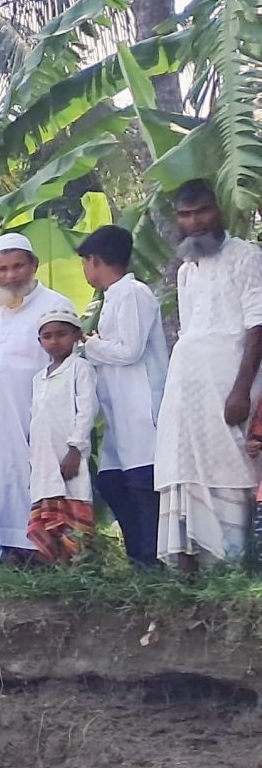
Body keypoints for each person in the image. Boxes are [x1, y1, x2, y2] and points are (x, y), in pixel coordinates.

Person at [153, 180, 262, 572]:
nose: (195, 222)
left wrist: (240, 391)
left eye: (202, 211)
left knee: (230, 472)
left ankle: (231, 568)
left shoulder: (245, 255)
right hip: (186, 388)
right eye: (185, 214)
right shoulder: (186, 270)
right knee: (181, 470)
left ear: (219, 211)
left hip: (228, 385)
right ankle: (189, 570)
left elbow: (257, 325)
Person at [0, 232, 77, 558]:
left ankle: (44, 551)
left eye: (17, 267)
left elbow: (67, 366)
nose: (10, 276)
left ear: (33, 266)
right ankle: (10, 550)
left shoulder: (55, 305)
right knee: (0, 482)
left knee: (37, 480)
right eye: (2, 269)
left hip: (37, 416)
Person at [73, 225, 166, 566]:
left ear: (95, 260)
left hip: (142, 407)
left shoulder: (133, 293)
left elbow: (129, 350)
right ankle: (139, 557)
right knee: (113, 482)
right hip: (119, 414)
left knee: (143, 486)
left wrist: (90, 344)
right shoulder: (113, 297)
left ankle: (152, 561)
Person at [24, 304, 100, 566]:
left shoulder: (80, 368)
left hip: (68, 456)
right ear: (40, 341)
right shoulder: (38, 379)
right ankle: (58, 567)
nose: (54, 341)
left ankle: (80, 568)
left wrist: (75, 449)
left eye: (62, 334)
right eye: (48, 336)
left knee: (72, 510)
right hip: (44, 460)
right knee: (49, 515)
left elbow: (87, 409)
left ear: (77, 336)